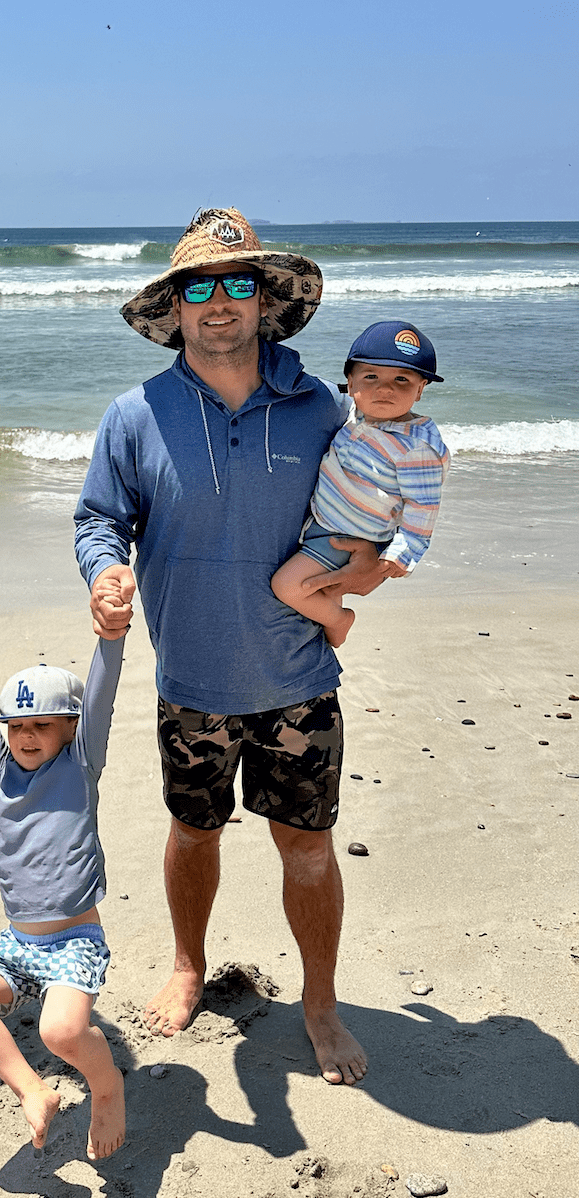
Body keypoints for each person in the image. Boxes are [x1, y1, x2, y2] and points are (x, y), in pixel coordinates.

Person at [75, 207, 390, 1086]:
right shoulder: (136, 414)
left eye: (236, 284)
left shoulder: (322, 407)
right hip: (193, 680)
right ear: (174, 307)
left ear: (266, 300)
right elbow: (101, 519)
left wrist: (369, 566)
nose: (217, 303)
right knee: (193, 832)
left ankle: (320, 1004)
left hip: (298, 680)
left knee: (310, 848)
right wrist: (105, 574)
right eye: (198, 287)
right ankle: (187, 965)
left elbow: (372, 508)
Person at [0, 590, 126, 1158]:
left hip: (73, 941)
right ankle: (32, 1090)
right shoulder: (1, 769)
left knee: (61, 1033)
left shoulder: (80, 762)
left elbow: (101, 699)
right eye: (16, 725)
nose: (25, 736)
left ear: (69, 728)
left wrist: (109, 637)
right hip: (16, 941)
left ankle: (107, 1084)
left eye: (42, 725)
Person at [271, 321, 449, 646]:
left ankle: (340, 619)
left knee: (287, 586)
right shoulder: (359, 415)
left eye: (402, 380)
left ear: (420, 389)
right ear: (351, 384)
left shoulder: (416, 447)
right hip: (326, 522)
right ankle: (329, 612)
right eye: (371, 377)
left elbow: (423, 506)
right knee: (322, 588)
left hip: (349, 535)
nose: (385, 389)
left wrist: (402, 553)